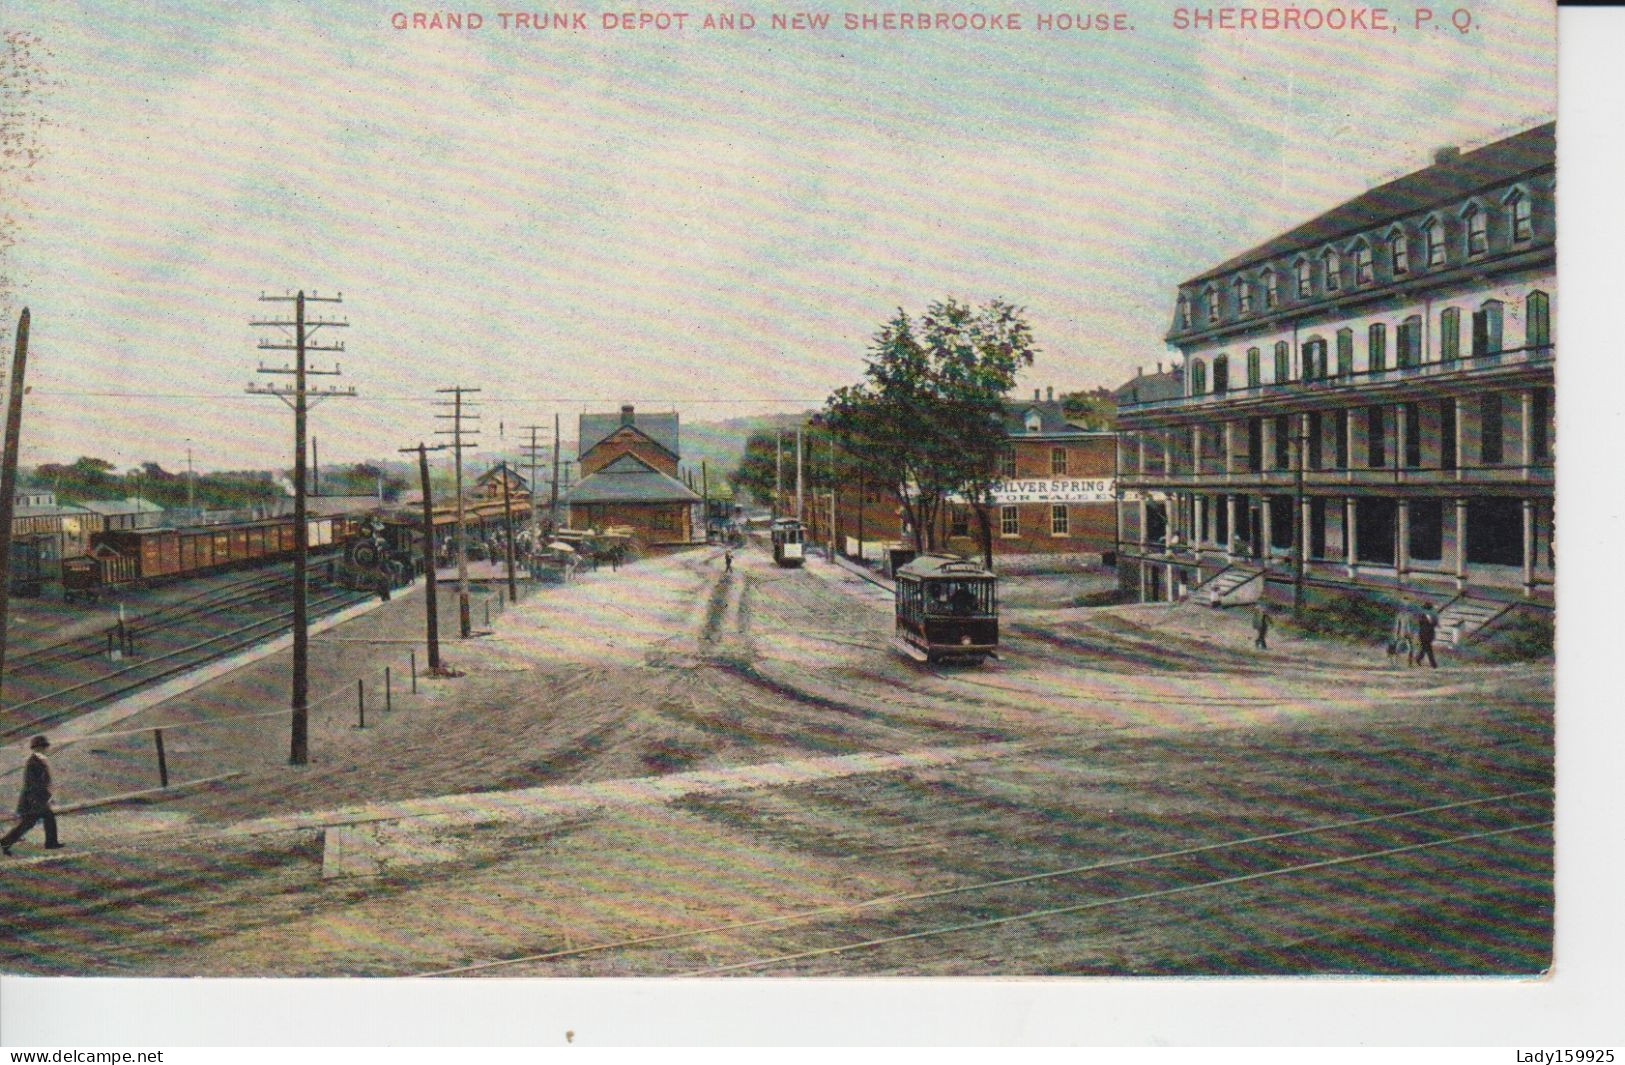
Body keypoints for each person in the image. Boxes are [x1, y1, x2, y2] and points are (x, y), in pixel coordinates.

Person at [2, 736, 62, 856]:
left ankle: (6, 842)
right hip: (32, 799)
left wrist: (47, 795)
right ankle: (51, 843)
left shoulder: (40, 760)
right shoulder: (33, 762)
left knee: (29, 822)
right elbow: (32, 783)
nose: (46, 749)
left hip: (36, 798)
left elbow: (45, 780)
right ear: (38, 748)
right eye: (44, 747)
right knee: (43, 818)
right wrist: (42, 798)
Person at [1415, 602, 1439, 668]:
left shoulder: (1433, 616)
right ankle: (1433, 664)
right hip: (1424, 634)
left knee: (1424, 648)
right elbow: (1420, 623)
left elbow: (1435, 624)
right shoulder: (1422, 615)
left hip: (1429, 634)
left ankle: (1418, 659)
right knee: (1428, 648)